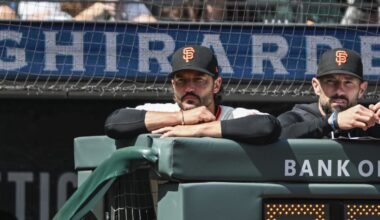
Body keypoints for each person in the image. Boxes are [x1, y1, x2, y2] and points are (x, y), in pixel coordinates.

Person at [105, 45, 281, 144]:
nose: (189, 88)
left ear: (216, 85)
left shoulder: (233, 115)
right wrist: (181, 118)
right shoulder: (162, 112)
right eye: (181, 80)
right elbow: (115, 123)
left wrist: (196, 130)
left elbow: (268, 126)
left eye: (199, 80)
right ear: (173, 85)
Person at [278, 48, 380, 139]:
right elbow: (275, 135)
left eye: (348, 82)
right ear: (316, 86)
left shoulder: (369, 123)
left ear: (361, 90)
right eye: (330, 81)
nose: (339, 90)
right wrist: (332, 122)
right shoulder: (298, 118)